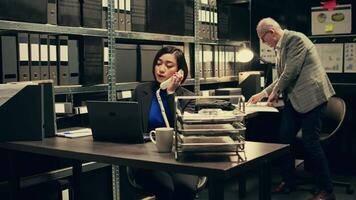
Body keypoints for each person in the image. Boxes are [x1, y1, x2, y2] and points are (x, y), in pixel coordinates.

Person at [249, 18, 336, 200]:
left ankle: (327, 190)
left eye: (263, 38)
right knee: (284, 140)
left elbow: (291, 72)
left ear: (271, 32)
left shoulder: (296, 39)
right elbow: (281, 76)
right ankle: (289, 181)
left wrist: (275, 93)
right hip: (296, 101)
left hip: (313, 98)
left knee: (310, 141)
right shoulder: (280, 47)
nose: (264, 43)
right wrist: (262, 94)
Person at [130, 46, 199, 200]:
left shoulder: (187, 98)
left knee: (185, 188)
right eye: (158, 63)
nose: (161, 69)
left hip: (179, 158)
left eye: (168, 66)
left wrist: (170, 93)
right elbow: (131, 126)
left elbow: (184, 129)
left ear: (179, 72)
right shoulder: (141, 91)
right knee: (166, 187)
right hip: (146, 158)